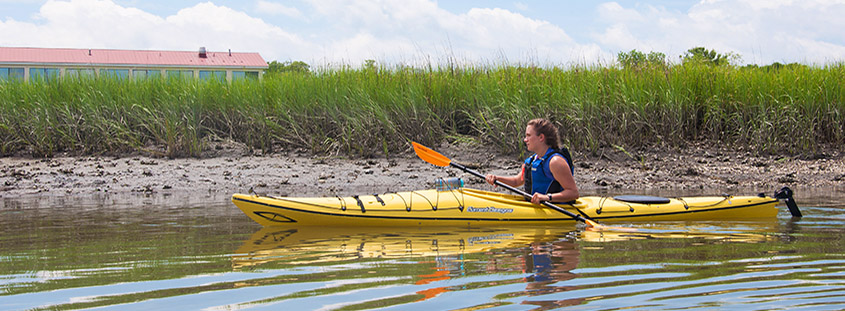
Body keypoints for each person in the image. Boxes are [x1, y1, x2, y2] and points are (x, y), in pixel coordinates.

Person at [485, 118, 579, 205]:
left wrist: (547, 197)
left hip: (557, 209)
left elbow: (573, 193)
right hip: (538, 206)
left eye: (528, 135)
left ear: (541, 137)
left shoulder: (555, 162)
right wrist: (496, 178)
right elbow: (516, 181)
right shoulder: (534, 159)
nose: (525, 140)